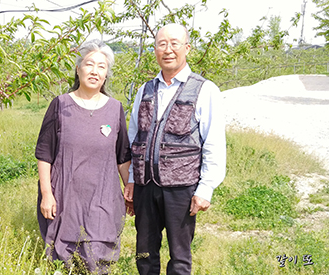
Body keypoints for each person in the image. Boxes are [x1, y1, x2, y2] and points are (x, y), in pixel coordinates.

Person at [125, 24, 227, 274]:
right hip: (145, 187)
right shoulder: (145, 90)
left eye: (174, 43)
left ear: (187, 48)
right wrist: (131, 180)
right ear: (155, 49)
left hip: (182, 189)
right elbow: (134, 138)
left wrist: (205, 188)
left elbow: (213, 142)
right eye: (161, 44)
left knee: (179, 256)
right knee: (144, 252)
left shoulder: (205, 89)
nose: (167, 50)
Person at [35, 40, 132, 274]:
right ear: (78, 69)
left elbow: (122, 156)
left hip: (102, 199)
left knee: (97, 261)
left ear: (106, 74)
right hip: (66, 198)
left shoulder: (115, 108)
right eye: (89, 64)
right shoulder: (60, 105)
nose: (94, 71)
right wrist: (47, 194)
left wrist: (130, 187)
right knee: (64, 261)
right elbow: (44, 154)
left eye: (101, 66)